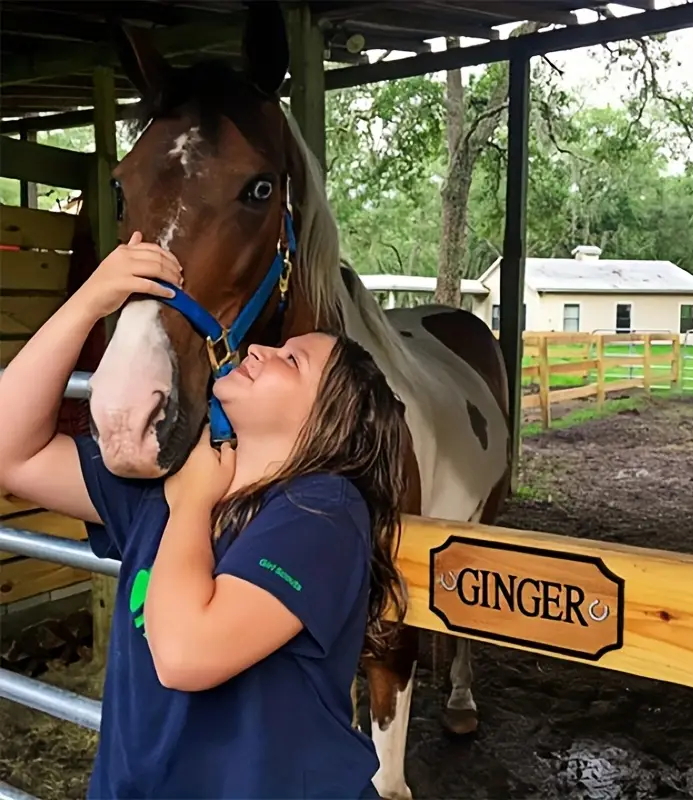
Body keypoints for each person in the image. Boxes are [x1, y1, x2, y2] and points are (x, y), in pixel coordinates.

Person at [0, 234, 410, 800]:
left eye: (292, 359)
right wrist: (91, 301)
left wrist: (191, 505)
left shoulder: (324, 512)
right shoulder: (174, 474)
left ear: (330, 421)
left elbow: (187, 654)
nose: (261, 350)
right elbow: (9, 452)